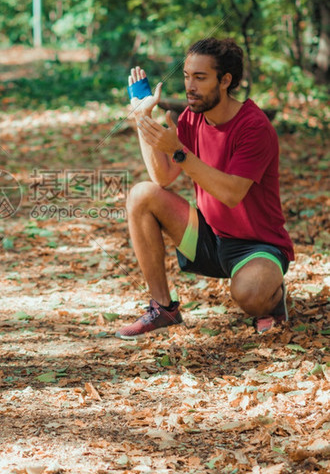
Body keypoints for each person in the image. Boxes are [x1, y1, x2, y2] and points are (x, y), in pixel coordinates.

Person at [116, 38, 294, 339]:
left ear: (225, 80)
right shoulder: (192, 117)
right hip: (211, 237)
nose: (190, 86)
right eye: (187, 76)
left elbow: (231, 193)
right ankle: (163, 308)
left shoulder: (254, 126)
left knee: (250, 295)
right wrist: (141, 118)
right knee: (141, 194)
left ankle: (273, 300)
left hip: (258, 245)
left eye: (200, 78)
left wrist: (181, 153)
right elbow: (162, 177)